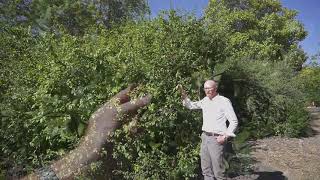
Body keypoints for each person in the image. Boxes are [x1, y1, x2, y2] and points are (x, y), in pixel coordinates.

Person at [179, 80, 238, 180]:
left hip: (217, 139)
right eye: (206, 88)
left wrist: (225, 136)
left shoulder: (223, 101)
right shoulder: (205, 100)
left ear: (215, 88)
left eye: (210, 88)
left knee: (218, 172)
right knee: (206, 169)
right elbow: (191, 106)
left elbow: (234, 121)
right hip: (205, 137)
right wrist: (185, 97)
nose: (207, 90)